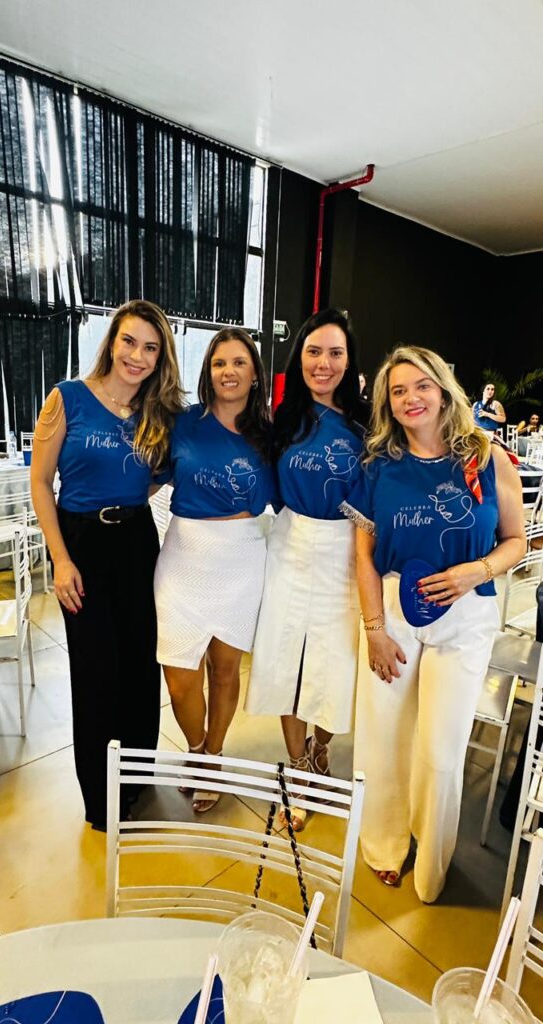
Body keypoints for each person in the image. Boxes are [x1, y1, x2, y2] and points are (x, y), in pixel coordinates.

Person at [342, 346, 525, 902]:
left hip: (466, 613)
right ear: (388, 402)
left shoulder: (487, 458)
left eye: (421, 385)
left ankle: (432, 859)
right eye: (398, 390)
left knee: (441, 748)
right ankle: (384, 843)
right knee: (384, 736)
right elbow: (364, 557)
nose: (410, 398)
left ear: (444, 391)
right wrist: (374, 628)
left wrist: (477, 570)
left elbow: (517, 541)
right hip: (394, 609)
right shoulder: (377, 466)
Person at [31, 299, 184, 831]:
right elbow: (40, 483)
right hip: (81, 545)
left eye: (150, 348)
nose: (137, 356)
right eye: (129, 342)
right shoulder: (67, 398)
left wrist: (132, 501)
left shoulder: (157, 414)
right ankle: (101, 799)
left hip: (137, 541)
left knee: (140, 667)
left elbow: (160, 476)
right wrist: (61, 558)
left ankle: (135, 783)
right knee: (96, 673)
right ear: (111, 342)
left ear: (160, 357)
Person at [245, 308, 364, 831]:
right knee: (287, 659)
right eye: (314, 352)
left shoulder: (366, 423)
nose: (323, 363)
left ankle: (321, 748)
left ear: (349, 361)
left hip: (346, 550)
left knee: (335, 662)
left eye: (335, 353)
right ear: (299, 358)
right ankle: (296, 766)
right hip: (291, 545)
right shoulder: (283, 419)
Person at [154, 327, 275, 813]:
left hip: (242, 558)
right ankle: (196, 746)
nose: (228, 371)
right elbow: (146, 478)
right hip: (184, 556)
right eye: (219, 363)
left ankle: (212, 757)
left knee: (225, 671)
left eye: (239, 362)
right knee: (179, 677)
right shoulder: (181, 423)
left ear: (254, 374)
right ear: (208, 371)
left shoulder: (270, 434)